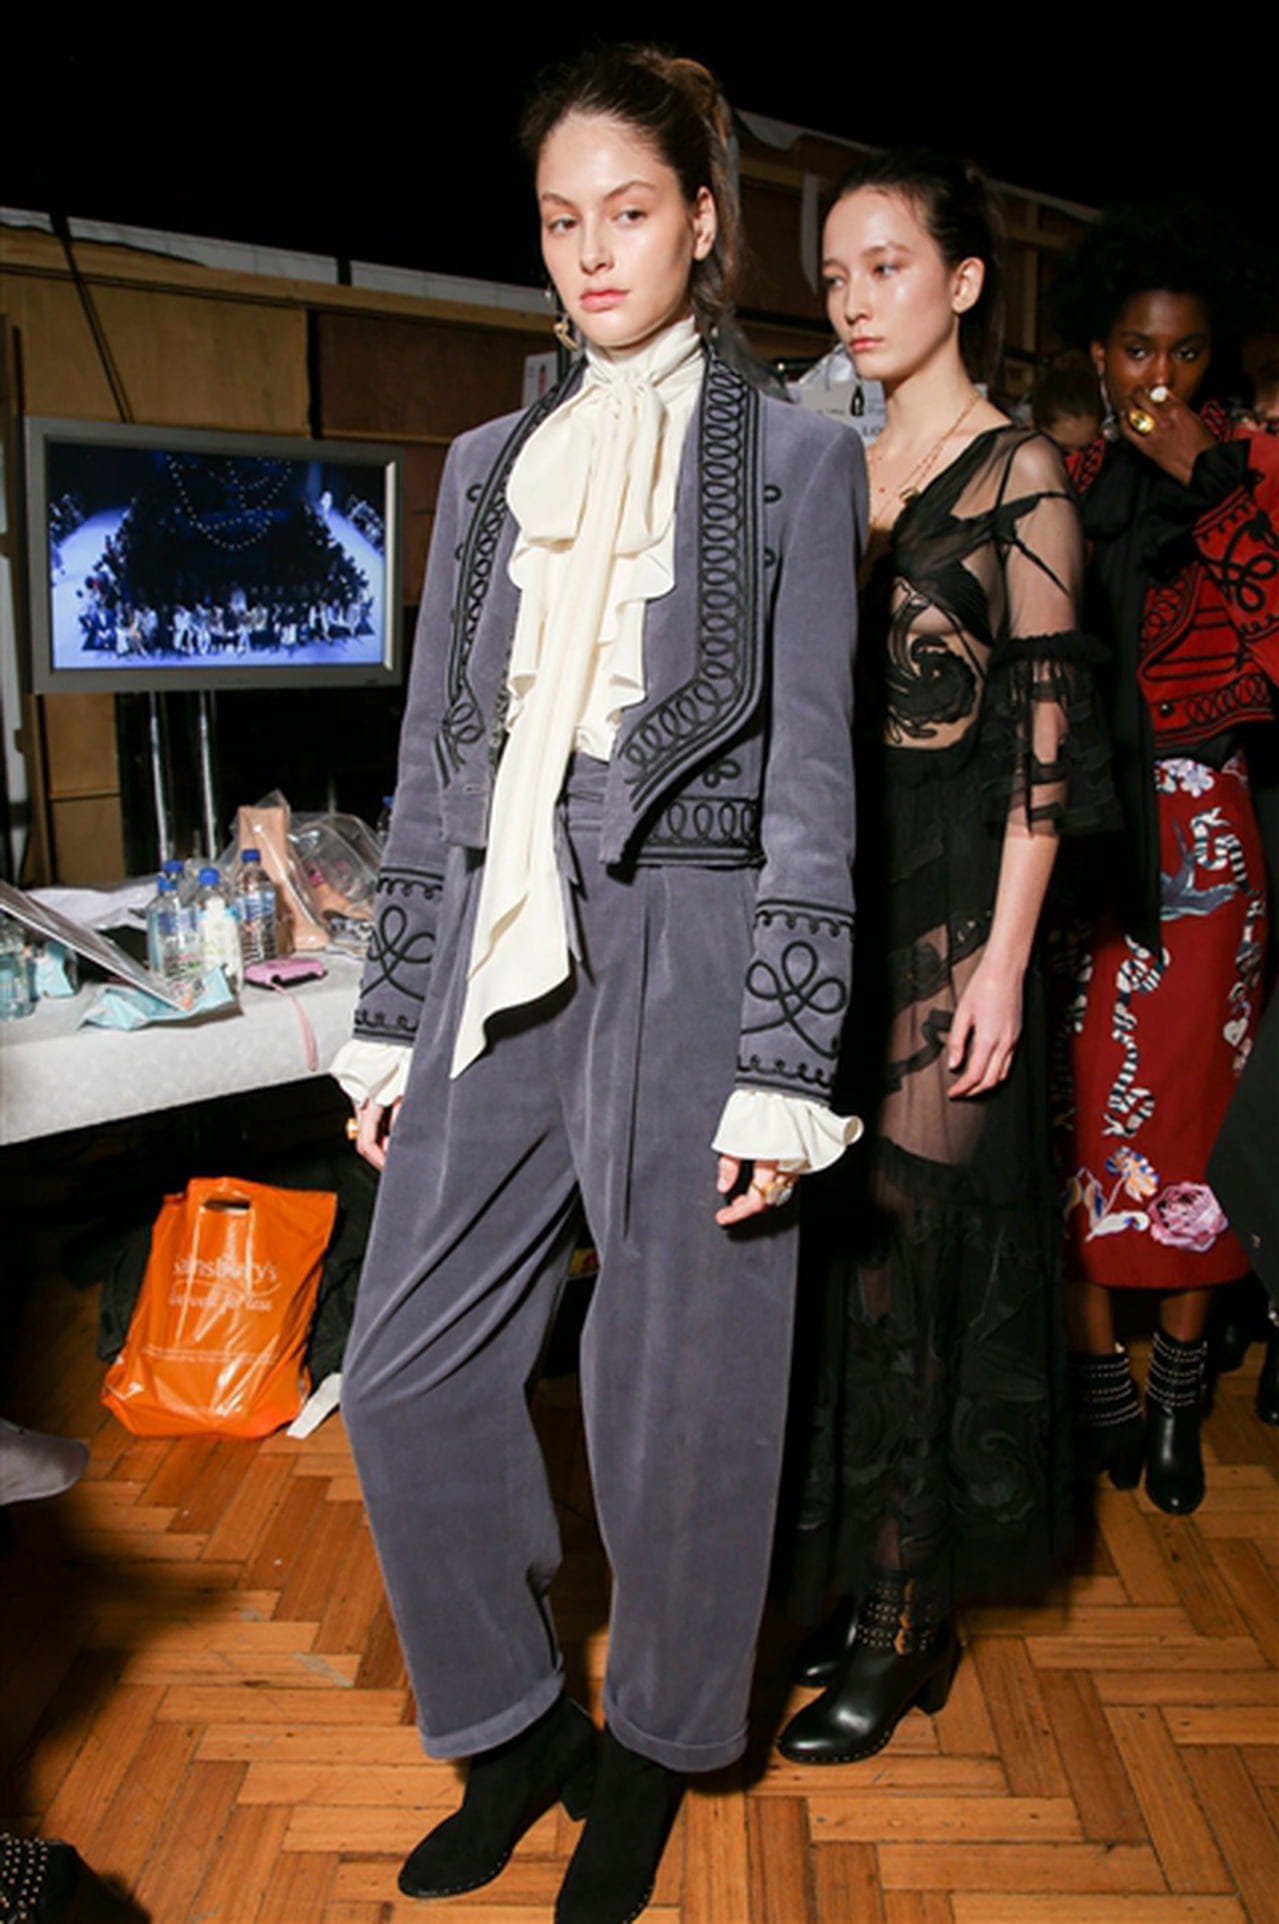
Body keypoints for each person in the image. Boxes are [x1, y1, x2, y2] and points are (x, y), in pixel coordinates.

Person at [330, 45, 864, 1924]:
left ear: (703, 220)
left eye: (629, 211)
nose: (593, 252)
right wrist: (389, 1018)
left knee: (684, 1382)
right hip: (500, 918)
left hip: (697, 927)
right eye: (563, 221)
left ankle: (658, 1743)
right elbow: (429, 768)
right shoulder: (488, 468)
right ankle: (510, 1726)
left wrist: (786, 1056)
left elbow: (814, 783)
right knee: (400, 1367)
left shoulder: (802, 457)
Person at [776, 151, 1113, 1766]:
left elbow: (1050, 749)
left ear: (965, 281)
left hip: (960, 913)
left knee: (921, 1266)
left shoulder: (1021, 470)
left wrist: (1002, 966)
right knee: (841, 1256)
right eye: (837, 274)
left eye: (888, 265)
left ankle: (908, 1619)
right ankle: (854, 1577)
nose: (856, 299)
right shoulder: (835, 462)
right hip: (834, 901)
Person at [1050, 204, 1279, 1515]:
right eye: (1138, 351)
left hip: (1206, 842)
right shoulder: (1063, 481)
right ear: (1099, 354)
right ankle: (1104, 1384)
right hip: (1086, 837)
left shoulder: (1255, 473)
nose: (1160, 379)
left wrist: (1217, 488)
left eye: (1185, 353)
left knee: (1193, 1115)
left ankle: (1183, 1393)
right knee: (1077, 1111)